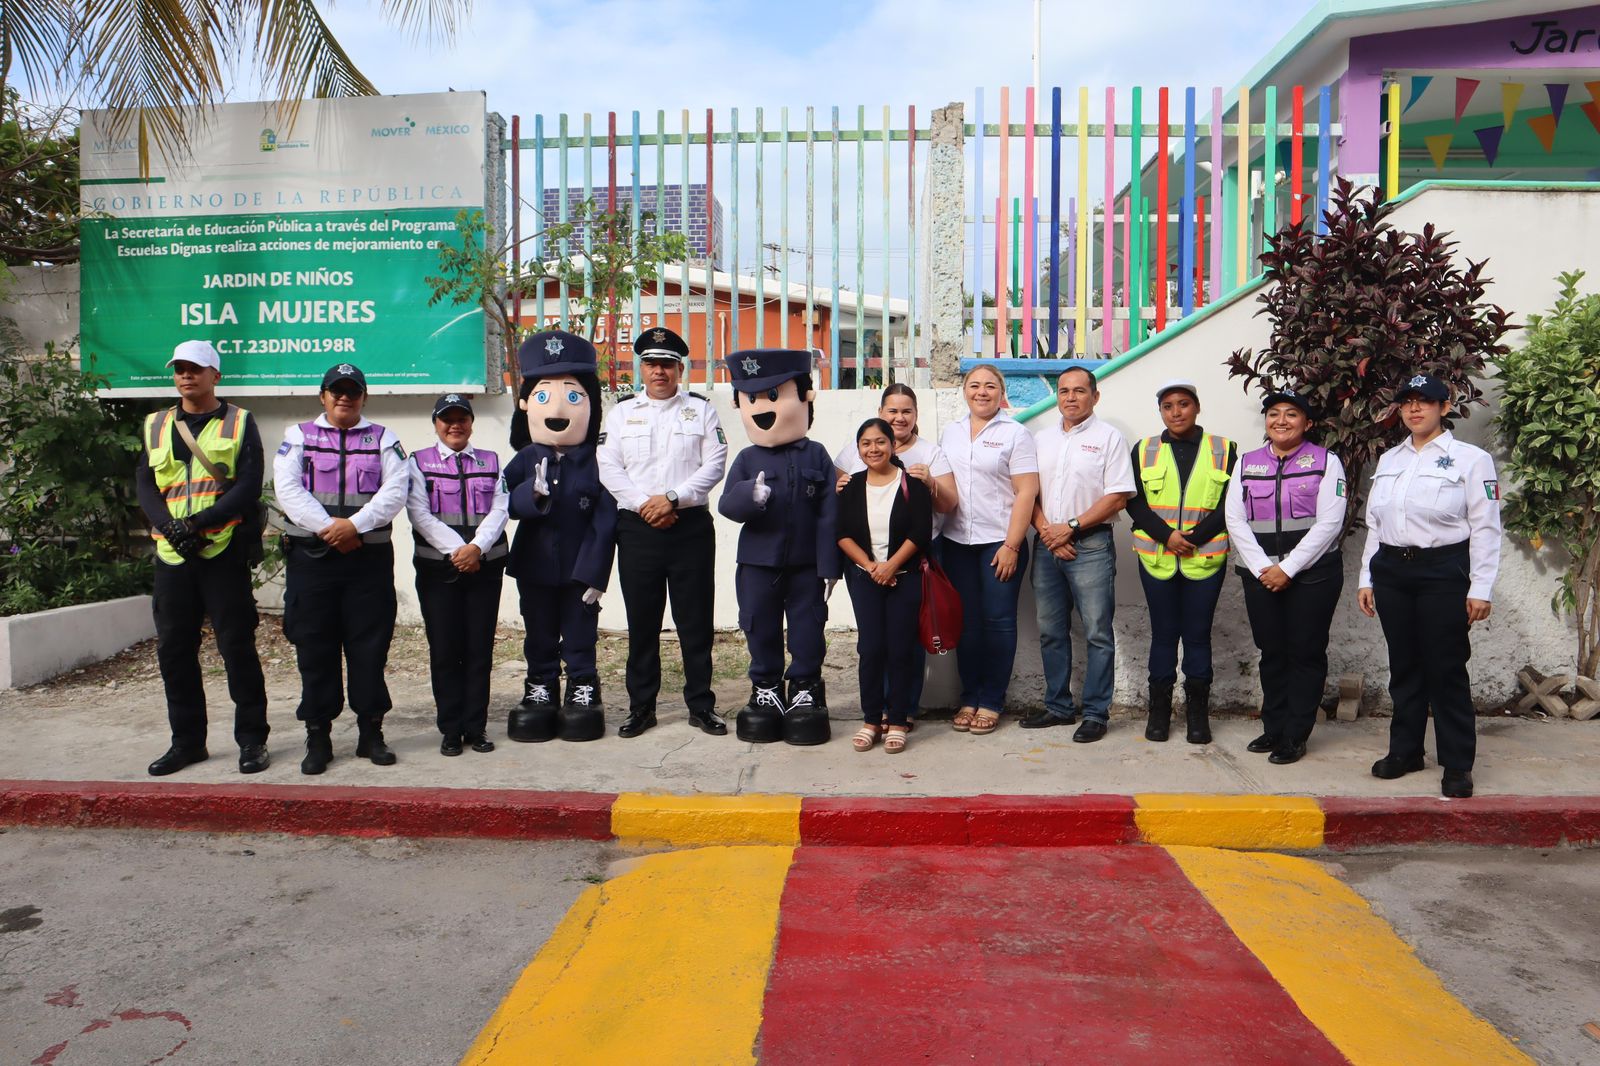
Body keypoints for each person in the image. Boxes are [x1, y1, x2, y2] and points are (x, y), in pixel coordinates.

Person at [1357, 373, 1500, 799]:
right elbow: (1375, 525)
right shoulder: (1390, 460)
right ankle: (1405, 751)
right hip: (1393, 572)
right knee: (1404, 666)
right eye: (1407, 402)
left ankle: (1457, 763)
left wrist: (1481, 587)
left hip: (1444, 572)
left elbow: (1487, 527)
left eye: (1425, 401)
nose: (1414, 409)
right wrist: (1368, 577)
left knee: (1446, 667)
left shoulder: (1471, 460)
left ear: (1444, 407)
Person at [138, 340, 270, 776]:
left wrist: (195, 524)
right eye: (179, 369)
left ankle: (252, 740)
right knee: (174, 650)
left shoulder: (239, 422)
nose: (186, 376)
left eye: (195, 368)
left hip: (221, 550)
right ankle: (188, 742)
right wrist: (172, 529)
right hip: (172, 556)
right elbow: (145, 486)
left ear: (216, 374)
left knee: (237, 646)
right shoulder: (155, 424)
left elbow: (248, 485)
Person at [274, 363, 410, 774]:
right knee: (315, 649)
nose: (344, 397)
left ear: (363, 397)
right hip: (312, 563)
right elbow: (288, 489)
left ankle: (371, 733)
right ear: (323, 395)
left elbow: (396, 489)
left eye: (353, 391)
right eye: (337, 390)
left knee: (369, 648)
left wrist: (355, 525)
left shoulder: (385, 439)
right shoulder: (298, 436)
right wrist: (329, 529)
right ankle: (318, 736)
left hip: (366, 562)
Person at [597, 326, 729, 738]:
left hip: (689, 527)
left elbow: (716, 462)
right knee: (643, 621)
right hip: (637, 529)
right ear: (642, 367)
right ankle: (641, 708)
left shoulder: (702, 410)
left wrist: (671, 498)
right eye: (652, 364)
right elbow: (608, 467)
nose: (660, 372)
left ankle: (701, 705)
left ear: (680, 369)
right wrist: (646, 505)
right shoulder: (621, 412)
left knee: (695, 621)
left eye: (668, 365)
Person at [718, 348, 841, 746]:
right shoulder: (747, 457)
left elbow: (828, 513)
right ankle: (766, 688)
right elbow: (726, 506)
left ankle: (805, 686)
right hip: (757, 563)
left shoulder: (816, 454)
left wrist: (829, 566)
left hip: (806, 566)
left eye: (773, 395)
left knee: (807, 629)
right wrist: (748, 497)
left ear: (805, 396)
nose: (761, 407)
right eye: (752, 398)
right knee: (759, 626)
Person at [504, 331, 617, 743]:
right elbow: (504, 504)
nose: (556, 407)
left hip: (578, 569)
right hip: (533, 565)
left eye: (573, 396)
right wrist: (529, 495)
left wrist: (594, 576)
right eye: (543, 395)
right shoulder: (524, 459)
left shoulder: (599, 462)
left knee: (580, 630)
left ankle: (583, 685)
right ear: (524, 404)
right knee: (538, 630)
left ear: (590, 405)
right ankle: (541, 685)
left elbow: (606, 523)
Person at [1223, 388, 1347, 765]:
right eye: (1273, 413)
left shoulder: (1327, 461)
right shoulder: (1246, 462)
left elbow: (1330, 522)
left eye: (1291, 414)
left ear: (1307, 423)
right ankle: (1273, 727)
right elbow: (1235, 519)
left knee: (1305, 653)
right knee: (1271, 652)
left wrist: (1287, 568)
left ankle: (1296, 734)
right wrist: (1265, 568)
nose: (1281, 420)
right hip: (1260, 575)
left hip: (1314, 575)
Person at [1020, 367, 1135, 743]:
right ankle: (1058, 707)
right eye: (1064, 391)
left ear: (1095, 397)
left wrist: (1070, 527)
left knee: (1098, 632)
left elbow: (1117, 495)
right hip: (1047, 543)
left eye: (1079, 391)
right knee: (1052, 630)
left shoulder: (1109, 438)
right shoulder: (1040, 439)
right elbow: (1027, 491)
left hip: (1091, 545)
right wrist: (1049, 533)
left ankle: (1097, 713)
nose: (1070, 397)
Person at [833, 383, 957, 721]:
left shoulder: (929, 455)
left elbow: (946, 506)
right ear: (881, 413)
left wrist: (930, 482)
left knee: (907, 640)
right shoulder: (851, 455)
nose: (899, 417)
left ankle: (902, 710)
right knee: (872, 643)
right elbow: (841, 517)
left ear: (916, 416)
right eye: (892, 410)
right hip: (865, 563)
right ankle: (877, 712)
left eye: (906, 411)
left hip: (915, 560)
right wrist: (872, 566)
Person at [1126, 379, 1237, 745]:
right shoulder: (1144, 449)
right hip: (1157, 557)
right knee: (1162, 635)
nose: (1176, 412)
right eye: (1168, 406)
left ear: (1197, 407)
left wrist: (1193, 538)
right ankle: (1158, 712)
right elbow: (1134, 501)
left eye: (1184, 404)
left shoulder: (1224, 449)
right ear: (1161, 411)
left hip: (1204, 559)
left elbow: (1231, 504)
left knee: (1197, 635)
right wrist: (1167, 536)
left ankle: (1197, 715)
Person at [938, 362, 1040, 736]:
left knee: (998, 623)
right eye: (974, 385)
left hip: (999, 542)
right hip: (957, 542)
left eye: (990, 386)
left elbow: (1026, 491)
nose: (982, 392)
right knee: (966, 625)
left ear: (1001, 393)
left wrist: (1013, 545)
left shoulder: (1016, 434)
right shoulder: (949, 433)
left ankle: (992, 700)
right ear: (964, 390)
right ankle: (969, 696)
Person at [406, 393, 510, 757]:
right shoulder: (417, 463)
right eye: (446, 418)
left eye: (461, 418)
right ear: (435, 423)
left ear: (471, 422)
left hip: (484, 569)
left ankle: (475, 727)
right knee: (446, 651)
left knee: (479, 650)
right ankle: (451, 729)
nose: (455, 425)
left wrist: (476, 548)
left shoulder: (491, 461)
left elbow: (500, 509)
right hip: (439, 572)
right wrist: (458, 551)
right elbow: (419, 514)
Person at [837, 418, 933, 754]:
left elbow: (920, 532)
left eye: (880, 442)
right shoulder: (851, 486)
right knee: (871, 648)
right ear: (858, 448)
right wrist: (871, 567)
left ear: (892, 445)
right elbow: (843, 534)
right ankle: (870, 720)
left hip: (905, 578)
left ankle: (897, 720)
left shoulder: (913, 485)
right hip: (865, 579)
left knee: (900, 649)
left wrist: (891, 565)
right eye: (865, 443)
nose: (873, 449)